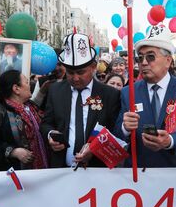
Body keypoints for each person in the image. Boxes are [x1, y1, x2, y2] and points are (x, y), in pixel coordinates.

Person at [115, 25, 176, 167]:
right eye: (140, 57)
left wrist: (170, 141)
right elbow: (117, 133)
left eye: (150, 56)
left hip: (174, 174)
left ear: (168, 61)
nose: (144, 62)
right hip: (138, 174)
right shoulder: (128, 92)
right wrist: (125, 127)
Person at [41, 33, 121, 168]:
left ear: (93, 67)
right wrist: (51, 135)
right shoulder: (55, 91)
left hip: (96, 170)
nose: (75, 78)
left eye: (81, 72)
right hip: (61, 171)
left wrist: (95, 147)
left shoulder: (109, 95)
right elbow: (46, 123)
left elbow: (115, 132)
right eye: (70, 73)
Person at [0, 70, 48, 170]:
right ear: (16, 89)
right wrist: (13, 152)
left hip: (42, 169)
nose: (29, 86)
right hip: (16, 174)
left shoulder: (31, 107)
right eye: (27, 83)